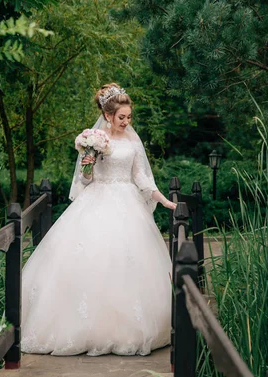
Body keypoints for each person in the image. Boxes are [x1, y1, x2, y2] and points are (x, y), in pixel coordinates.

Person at [20, 83, 176, 356]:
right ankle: (85, 330)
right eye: (121, 118)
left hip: (128, 203)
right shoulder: (93, 139)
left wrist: (161, 199)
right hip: (96, 200)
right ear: (107, 115)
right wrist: (88, 162)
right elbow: (84, 180)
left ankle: (125, 330)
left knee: (128, 265)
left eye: (129, 117)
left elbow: (140, 175)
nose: (126, 122)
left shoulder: (132, 141)